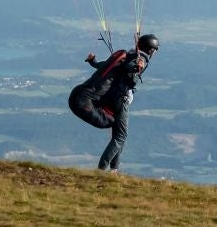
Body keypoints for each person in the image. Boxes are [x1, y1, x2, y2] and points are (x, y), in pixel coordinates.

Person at [68, 33, 159, 171]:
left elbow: (108, 66)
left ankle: (114, 169)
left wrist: (93, 62)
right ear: (151, 50)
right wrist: (137, 69)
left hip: (110, 97)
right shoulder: (141, 59)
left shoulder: (128, 54)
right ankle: (102, 169)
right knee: (121, 135)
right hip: (121, 100)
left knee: (117, 133)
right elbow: (130, 74)